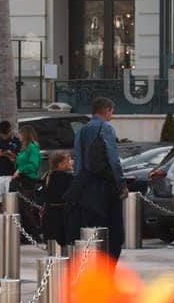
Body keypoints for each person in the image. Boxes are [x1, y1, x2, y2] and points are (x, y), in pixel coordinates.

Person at [65, 97, 127, 261]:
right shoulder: (105, 128)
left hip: (85, 191)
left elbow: (78, 163)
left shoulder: (82, 130)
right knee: (115, 235)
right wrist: (121, 184)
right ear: (107, 110)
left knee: (90, 234)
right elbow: (113, 160)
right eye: (111, 112)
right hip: (105, 189)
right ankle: (108, 273)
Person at [39, 150, 74, 249]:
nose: (71, 161)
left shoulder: (47, 176)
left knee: (52, 245)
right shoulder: (68, 178)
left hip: (49, 214)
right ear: (60, 164)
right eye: (68, 160)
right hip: (62, 215)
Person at [0, 119, 21, 206]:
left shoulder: (16, 141)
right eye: (3, 134)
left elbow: (21, 161)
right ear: (0, 131)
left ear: (10, 130)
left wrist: (12, 155)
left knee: (11, 202)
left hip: (12, 175)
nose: (5, 136)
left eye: (7, 134)